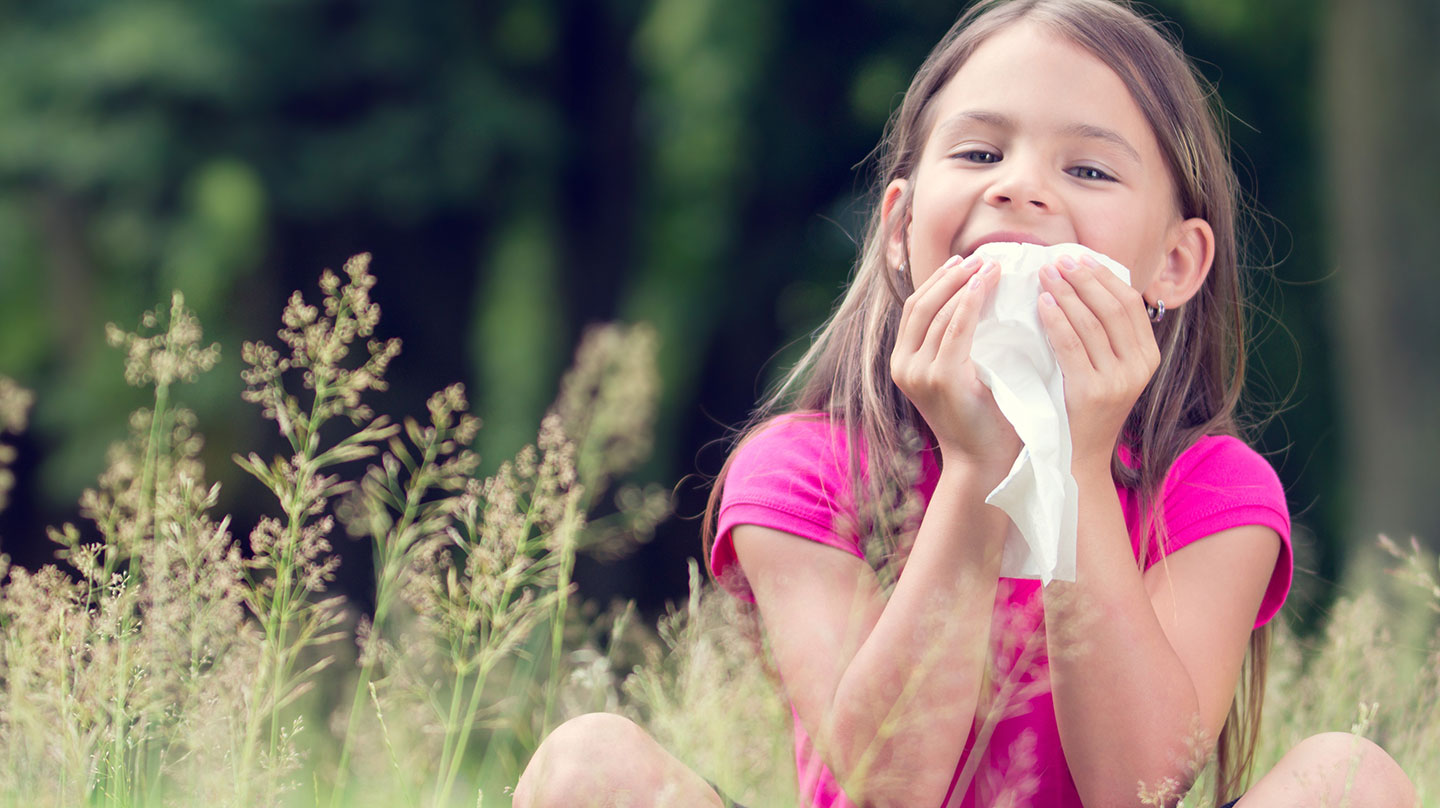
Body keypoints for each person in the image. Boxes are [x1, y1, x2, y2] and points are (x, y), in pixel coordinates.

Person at [514, 1, 1418, 805]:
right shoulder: (802, 469)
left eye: (1089, 171)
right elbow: (887, 785)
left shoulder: (1214, 488)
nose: (1019, 186)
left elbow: (1136, 787)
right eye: (980, 153)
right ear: (899, 227)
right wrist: (980, 469)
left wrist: (1073, 466)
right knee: (588, 765)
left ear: (1175, 265)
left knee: (1355, 779)